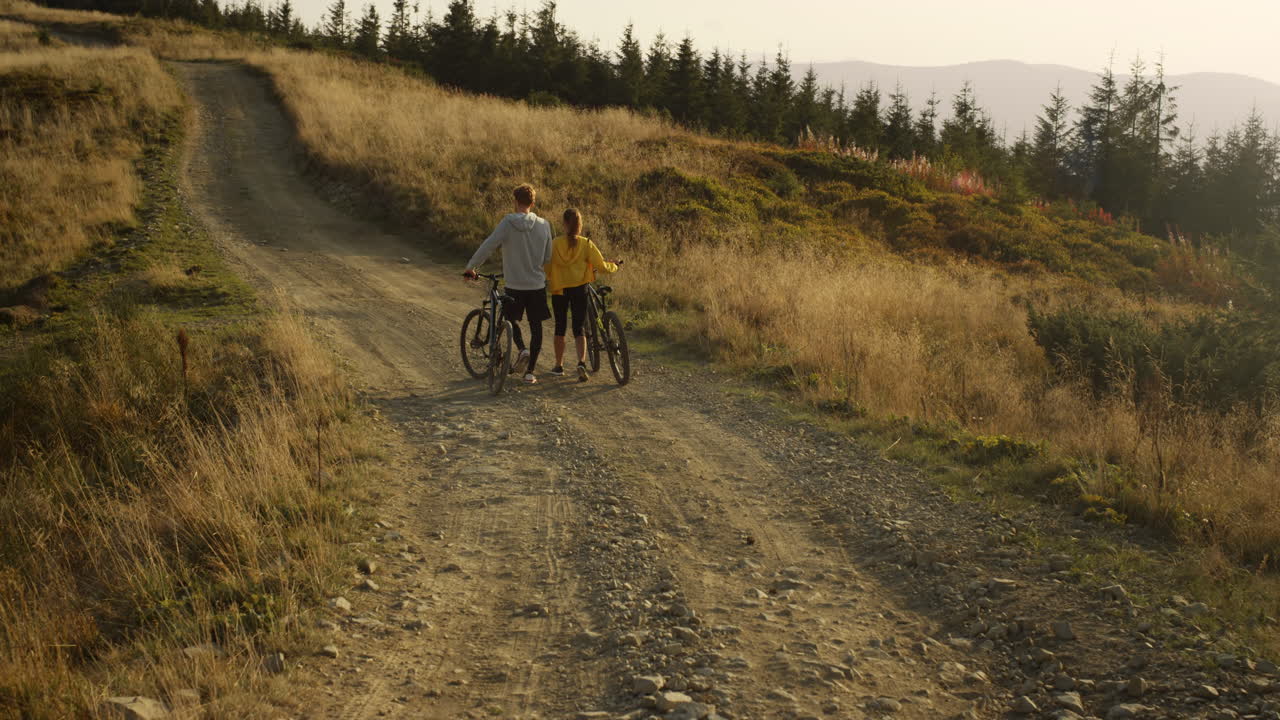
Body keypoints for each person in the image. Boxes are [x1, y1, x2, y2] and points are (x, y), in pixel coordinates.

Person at [462, 184, 553, 384]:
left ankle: (522, 349)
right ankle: (530, 372)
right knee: (536, 327)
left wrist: (472, 266)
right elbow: (547, 256)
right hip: (537, 285)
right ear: (533, 203)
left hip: (514, 284)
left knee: (510, 321)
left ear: (515, 201)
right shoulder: (544, 225)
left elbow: (489, 244)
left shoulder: (507, 222)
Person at [544, 208, 620, 382]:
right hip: (579, 289)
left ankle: (558, 366)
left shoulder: (555, 244)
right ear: (580, 225)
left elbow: (547, 266)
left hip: (560, 290)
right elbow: (601, 266)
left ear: (564, 223)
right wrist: (614, 266)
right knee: (579, 328)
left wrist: (551, 277)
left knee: (560, 327)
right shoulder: (586, 244)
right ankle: (581, 363)